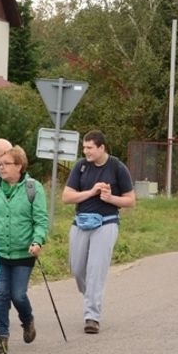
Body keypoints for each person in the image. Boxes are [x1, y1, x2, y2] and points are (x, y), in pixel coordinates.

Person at [63, 130, 136, 334]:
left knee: (96, 270)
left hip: (106, 222)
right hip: (81, 222)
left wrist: (111, 198)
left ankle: (92, 316)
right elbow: (66, 197)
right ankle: (92, 295)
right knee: (77, 269)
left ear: (102, 148)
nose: (86, 151)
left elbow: (131, 200)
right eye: (84, 148)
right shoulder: (81, 166)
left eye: (90, 148)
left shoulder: (117, 167)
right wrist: (91, 192)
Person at [0, 144, 48, 353]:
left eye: (6, 164)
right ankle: (1, 336)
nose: (1, 168)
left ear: (19, 166)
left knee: (18, 295)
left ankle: (27, 320)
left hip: (23, 252)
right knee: (1, 294)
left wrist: (37, 241)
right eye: (0, 164)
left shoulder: (33, 188)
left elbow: (40, 219)